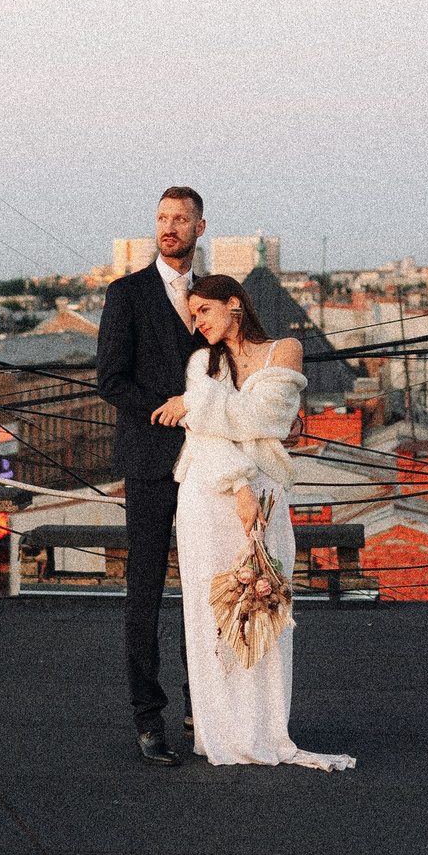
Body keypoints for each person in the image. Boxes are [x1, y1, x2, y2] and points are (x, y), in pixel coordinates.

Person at [152, 274, 354, 771]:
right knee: (213, 612)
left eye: (203, 311)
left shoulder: (284, 349)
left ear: (234, 304)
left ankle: (264, 729)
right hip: (211, 491)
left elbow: (269, 417)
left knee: (267, 605)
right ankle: (219, 731)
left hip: (268, 488)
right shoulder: (201, 362)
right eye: (192, 315)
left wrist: (195, 405)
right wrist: (239, 485)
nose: (197, 324)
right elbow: (207, 437)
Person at [95, 187, 208, 766]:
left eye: (180, 219)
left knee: (204, 588)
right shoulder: (127, 294)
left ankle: (203, 707)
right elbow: (110, 380)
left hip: (208, 464)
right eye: (162, 219)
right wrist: (169, 405)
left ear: (199, 227)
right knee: (145, 592)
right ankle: (149, 718)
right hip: (148, 461)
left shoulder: (215, 297)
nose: (169, 227)